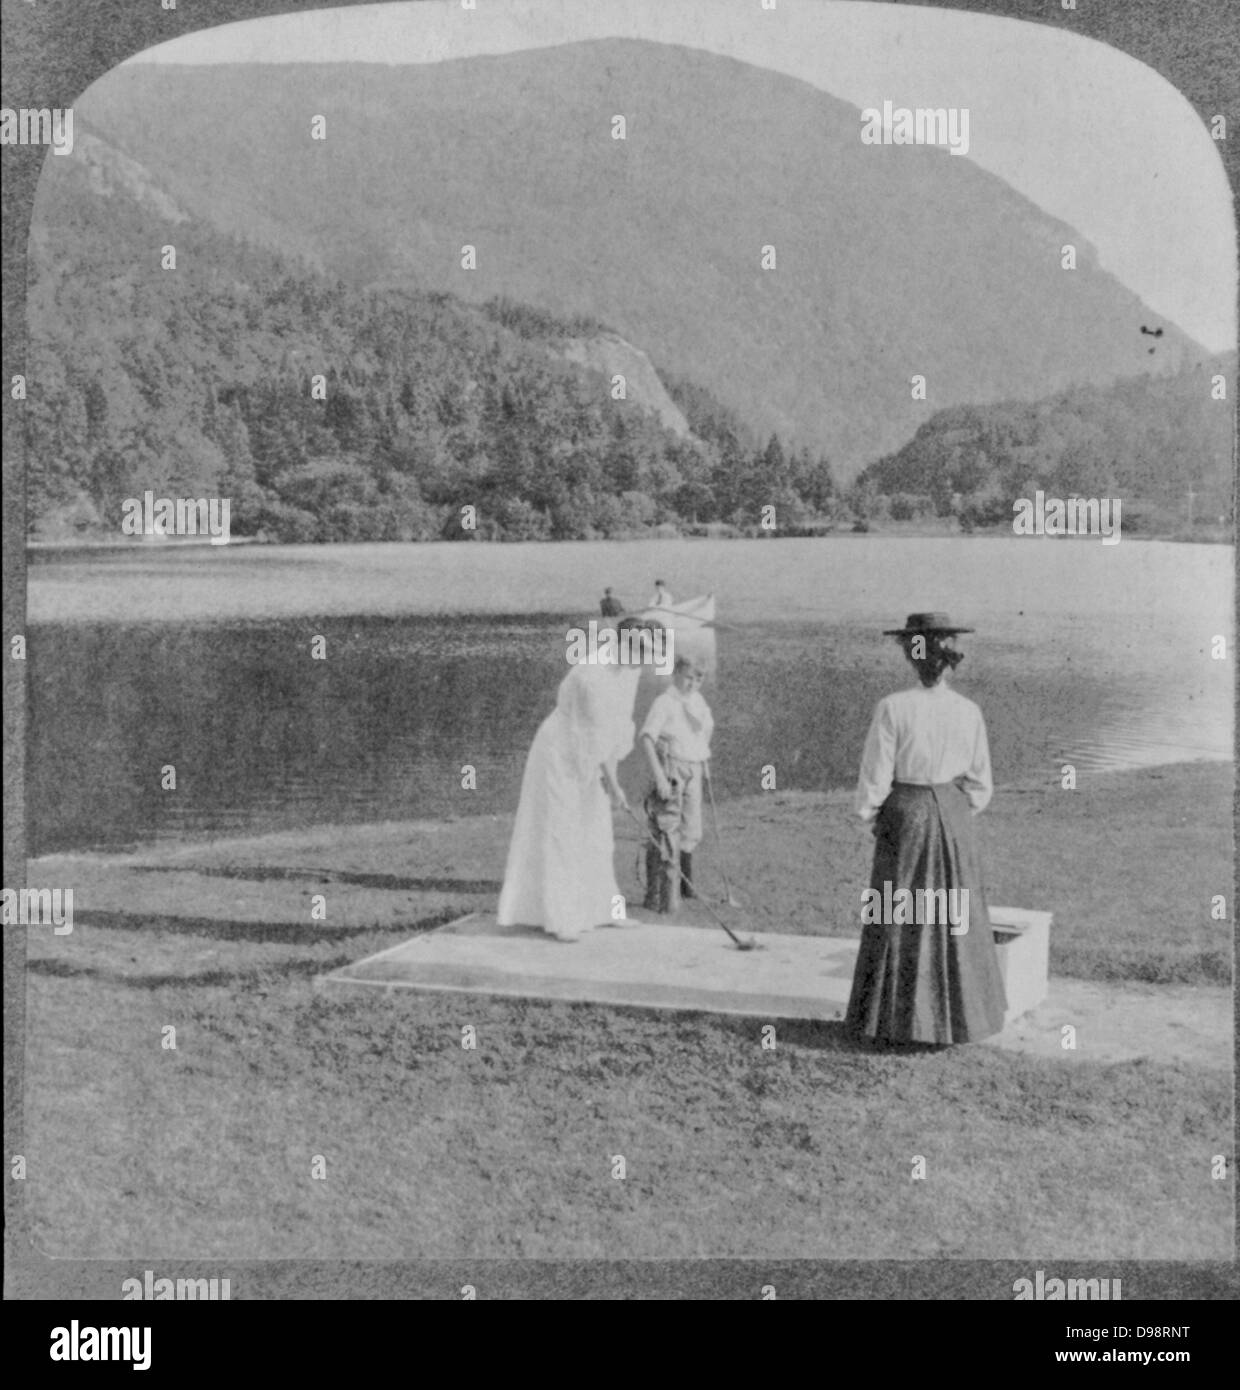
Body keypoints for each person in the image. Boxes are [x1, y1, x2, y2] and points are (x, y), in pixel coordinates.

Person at [845, 613, 1007, 1044]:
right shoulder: (968, 711)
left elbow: (874, 777)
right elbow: (981, 784)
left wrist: (872, 816)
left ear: (912, 657)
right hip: (952, 815)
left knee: (899, 908)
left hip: (905, 815)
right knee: (953, 911)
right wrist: (951, 811)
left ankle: (894, 1022)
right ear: (948, 660)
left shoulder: (893, 707)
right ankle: (961, 1019)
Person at [497, 617, 651, 942]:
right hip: (561, 753)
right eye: (637, 649)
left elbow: (615, 727)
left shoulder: (630, 670)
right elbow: (591, 734)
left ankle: (609, 911)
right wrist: (611, 782)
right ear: (619, 642)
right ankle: (562, 918)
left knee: (597, 830)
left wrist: (614, 782)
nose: (642, 657)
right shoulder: (590, 676)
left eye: (647, 651)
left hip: (590, 747)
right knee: (562, 830)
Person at [639, 653, 714, 909]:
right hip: (672, 768)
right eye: (688, 678)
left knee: (692, 828)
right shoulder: (664, 702)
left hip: (693, 766)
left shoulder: (698, 701)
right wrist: (659, 776)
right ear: (675, 675)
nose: (692, 684)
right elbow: (647, 738)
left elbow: (703, 731)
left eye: (698, 680)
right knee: (667, 827)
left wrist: (703, 759)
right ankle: (658, 892)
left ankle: (686, 886)